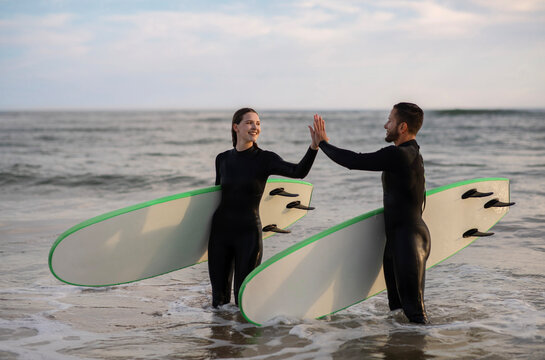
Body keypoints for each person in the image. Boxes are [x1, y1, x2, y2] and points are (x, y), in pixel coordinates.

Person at [309, 103, 431, 324]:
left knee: (415, 314)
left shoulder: (402, 155)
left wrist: (323, 143)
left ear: (402, 127)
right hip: (396, 241)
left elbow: (354, 161)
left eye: (390, 121)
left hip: (409, 241)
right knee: (397, 312)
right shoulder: (410, 155)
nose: (386, 125)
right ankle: (400, 349)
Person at [209, 108, 318, 308]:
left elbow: (298, 171)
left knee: (245, 300)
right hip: (219, 235)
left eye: (258, 123)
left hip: (247, 235)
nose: (255, 127)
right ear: (236, 127)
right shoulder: (222, 159)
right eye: (250, 122)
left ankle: (244, 337)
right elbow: (215, 197)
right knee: (219, 303)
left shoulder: (265, 159)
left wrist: (313, 147)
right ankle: (221, 338)